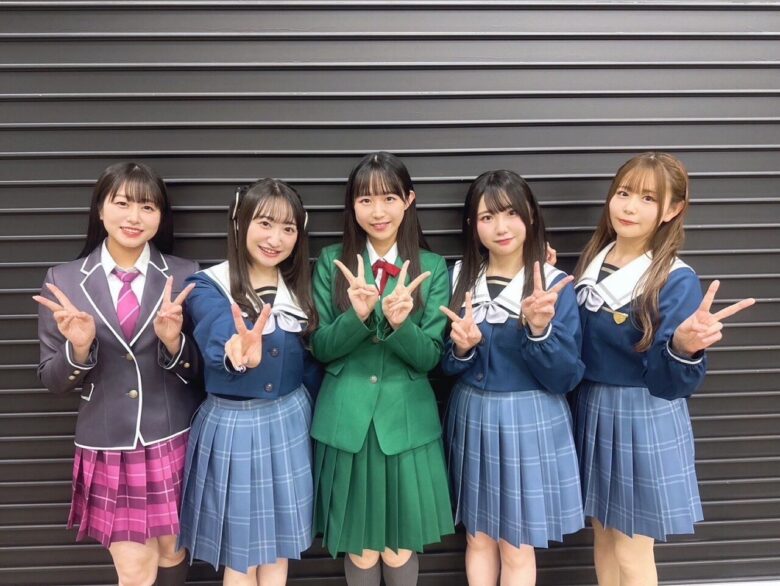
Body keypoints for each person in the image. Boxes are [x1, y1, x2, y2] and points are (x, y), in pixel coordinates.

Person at [572, 152, 755, 585]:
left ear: (673, 210)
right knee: (603, 534)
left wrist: (681, 346)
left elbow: (670, 379)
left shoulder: (674, 277)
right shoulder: (594, 260)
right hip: (591, 406)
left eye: (648, 198)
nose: (630, 207)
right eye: (624, 193)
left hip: (642, 414)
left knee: (631, 547)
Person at [35, 162, 201, 586]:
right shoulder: (64, 281)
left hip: (172, 435)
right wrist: (79, 349)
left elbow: (200, 369)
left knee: (173, 551)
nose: (134, 217)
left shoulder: (185, 274)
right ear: (100, 208)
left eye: (147, 206)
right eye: (122, 203)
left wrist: (174, 343)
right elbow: (52, 380)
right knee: (134, 569)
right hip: (108, 444)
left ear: (160, 216)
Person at [311, 152, 454, 586]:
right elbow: (320, 348)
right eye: (365, 200)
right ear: (352, 205)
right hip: (347, 421)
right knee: (359, 546)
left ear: (409, 200)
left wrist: (399, 325)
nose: (378, 211)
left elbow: (430, 357)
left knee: (399, 548)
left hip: (406, 421)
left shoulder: (432, 267)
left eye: (389, 198)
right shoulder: (331, 261)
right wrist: (355, 318)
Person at [439, 170, 585, 586]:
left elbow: (566, 377)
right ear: (473, 224)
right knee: (478, 537)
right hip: (472, 414)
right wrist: (462, 349)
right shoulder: (459, 277)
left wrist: (539, 330)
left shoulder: (554, 285)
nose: (500, 227)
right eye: (487, 217)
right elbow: (445, 366)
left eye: (510, 213)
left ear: (530, 216)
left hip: (531, 418)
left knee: (516, 545)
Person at [178, 179, 321, 586]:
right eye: (265, 223)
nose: (276, 239)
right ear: (239, 222)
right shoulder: (208, 285)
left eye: (288, 228)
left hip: (291, 421)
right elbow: (216, 330)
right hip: (233, 425)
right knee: (240, 558)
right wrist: (236, 353)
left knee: (278, 549)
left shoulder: (302, 288)